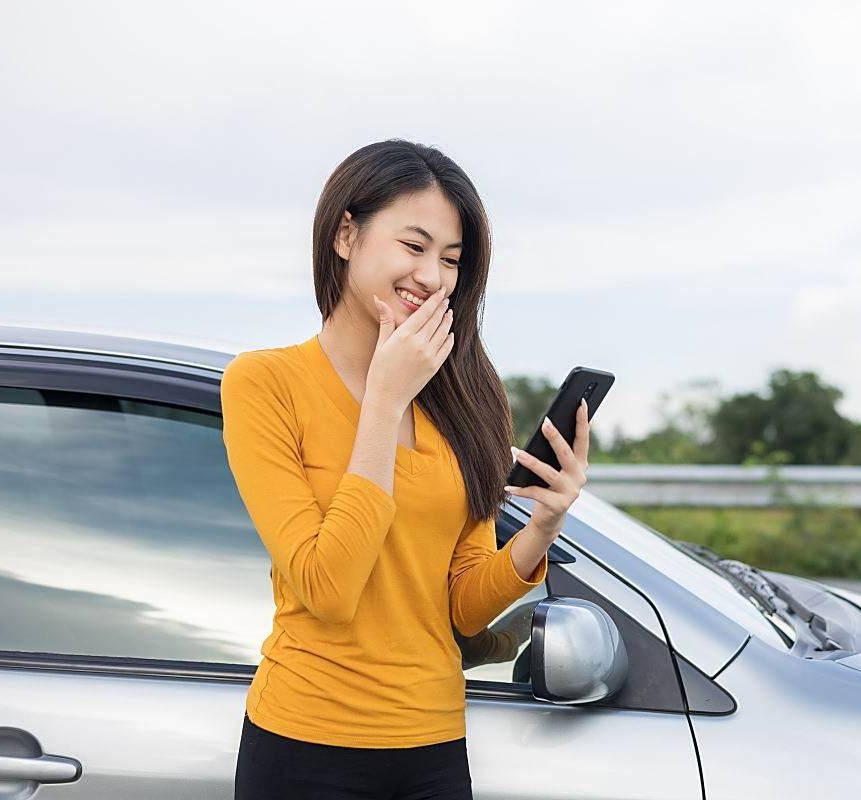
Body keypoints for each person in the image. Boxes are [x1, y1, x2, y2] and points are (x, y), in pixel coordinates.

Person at [221, 139, 590, 800]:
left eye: (450, 259)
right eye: (414, 247)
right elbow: (327, 588)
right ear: (346, 235)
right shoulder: (265, 384)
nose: (432, 277)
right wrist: (385, 401)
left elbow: (462, 607)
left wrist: (541, 528)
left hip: (432, 747)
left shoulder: (468, 399)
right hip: (303, 745)